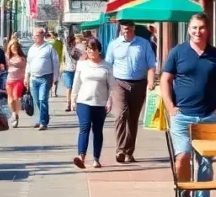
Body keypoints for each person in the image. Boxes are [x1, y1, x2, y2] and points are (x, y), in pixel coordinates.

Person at [159, 13, 216, 197]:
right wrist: (171, 107)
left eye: (201, 28)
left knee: (206, 163)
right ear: (189, 30)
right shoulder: (177, 52)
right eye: (194, 28)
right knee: (182, 158)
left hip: (208, 117)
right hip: (182, 117)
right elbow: (165, 80)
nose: (197, 32)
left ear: (208, 30)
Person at [106, 19, 157, 163]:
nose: (126, 30)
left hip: (139, 84)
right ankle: (120, 150)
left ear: (133, 28)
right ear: (121, 29)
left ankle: (129, 152)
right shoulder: (114, 44)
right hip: (119, 83)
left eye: (128, 28)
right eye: (124, 28)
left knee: (133, 119)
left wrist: (151, 82)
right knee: (121, 115)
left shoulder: (143, 44)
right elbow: (108, 66)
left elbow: (151, 65)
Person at [71, 38, 114, 169]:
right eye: (88, 49)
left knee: (97, 130)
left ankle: (96, 158)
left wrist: (110, 99)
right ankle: (81, 157)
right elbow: (76, 83)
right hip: (83, 101)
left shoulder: (106, 66)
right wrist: (73, 99)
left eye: (93, 49)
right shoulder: (81, 64)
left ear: (99, 50)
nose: (90, 51)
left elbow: (112, 85)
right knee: (84, 128)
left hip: (100, 103)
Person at [27, 27, 60, 130]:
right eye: (34, 36)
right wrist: (26, 77)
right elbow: (29, 63)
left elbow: (55, 62)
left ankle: (43, 122)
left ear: (42, 36)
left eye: (36, 35)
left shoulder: (49, 48)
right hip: (33, 77)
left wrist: (55, 77)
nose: (34, 38)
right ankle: (41, 118)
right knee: (37, 100)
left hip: (45, 77)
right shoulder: (32, 48)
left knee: (43, 100)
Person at [4, 37, 27, 127]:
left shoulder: (22, 58)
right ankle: (14, 113)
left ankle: (16, 114)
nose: (14, 48)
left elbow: (23, 67)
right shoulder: (7, 56)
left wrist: (26, 79)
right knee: (10, 100)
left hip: (19, 80)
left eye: (16, 46)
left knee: (15, 96)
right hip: (10, 80)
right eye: (12, 46)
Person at [62, 28, 84, 112]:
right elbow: (79, 57)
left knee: (69, 87)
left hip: (68, 69)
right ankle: (73, 103)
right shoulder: (75, 49)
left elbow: (63, 58)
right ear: (72, 41)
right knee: (76, 86)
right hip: (75, 69)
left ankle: (68, 104)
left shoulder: (66, 48)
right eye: (74, 40)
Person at [49, 31, 64, 97]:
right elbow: (62, 52)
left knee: (50, 77)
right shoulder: (59, 42)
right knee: (56, 77)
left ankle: (51, 92)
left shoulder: (48, 43)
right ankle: (54, 92)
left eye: (50, 34)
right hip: (57, 62)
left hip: (50, 62)